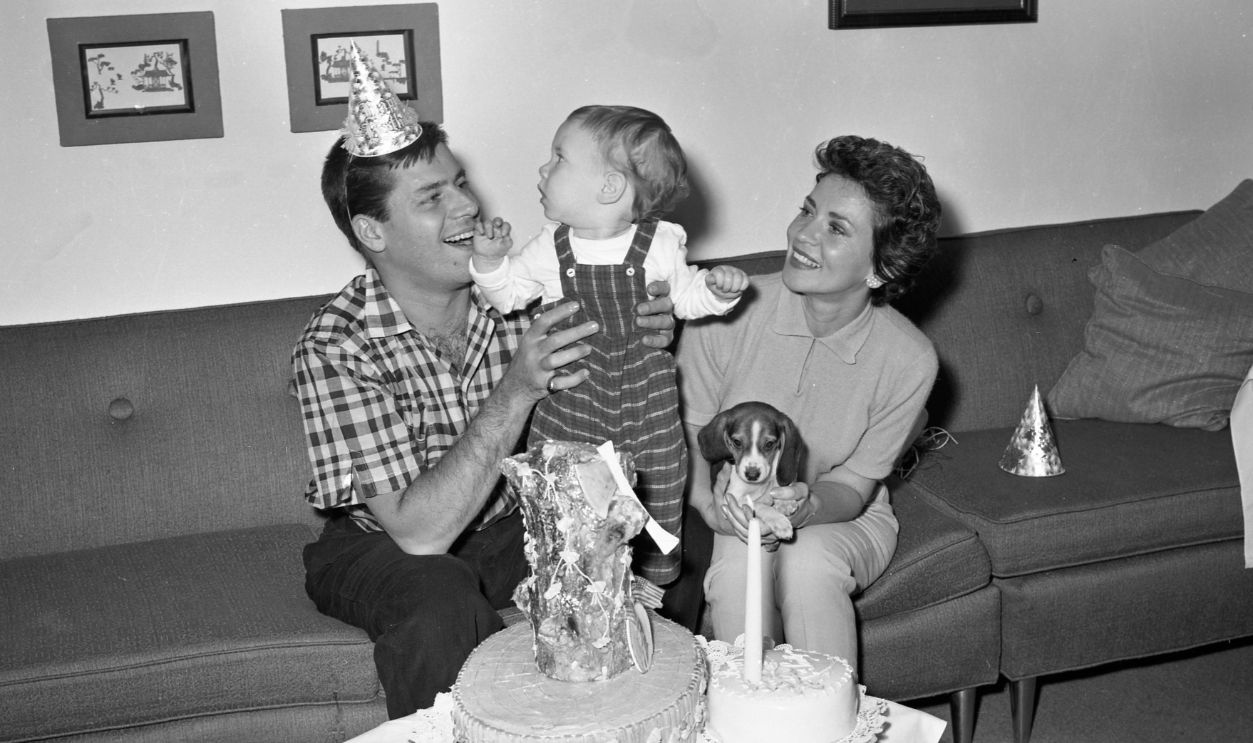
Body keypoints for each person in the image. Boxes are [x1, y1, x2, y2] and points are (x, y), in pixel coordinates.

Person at [291, 47, 677, 718]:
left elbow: (619, 400)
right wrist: (518, 386)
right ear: (371, 230)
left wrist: (645, 336)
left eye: (460, 182)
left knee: (659, 541)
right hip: (382, 543)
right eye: (434, 198)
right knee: (439, 596)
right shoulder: (336, 344)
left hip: (511, 522)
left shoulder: (528, 289)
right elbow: (416, 533)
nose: (468, 206)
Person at [676, 134, 942, 673]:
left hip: (846, 514)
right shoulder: (725, 311)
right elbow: (689, 431)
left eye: (835, 228)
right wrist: (710, 510)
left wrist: (806, 505)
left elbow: (852, 487)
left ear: (880, 269)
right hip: (733, 504)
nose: (802, 234)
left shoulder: (910, 359)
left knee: (810, 565)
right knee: (736, 574)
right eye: (808, 211)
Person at [468, 105, 749, 585]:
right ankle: (568, 577)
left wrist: (719, 291)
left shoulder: (660, 243)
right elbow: (510, 293)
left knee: (658, 479)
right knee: (568, 495)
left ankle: (653, 578)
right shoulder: (549, 247)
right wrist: (490, 262)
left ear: (609, 187)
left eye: (559, 158)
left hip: (646, 400)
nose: (543, 168)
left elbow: (684, 297)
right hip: (574, 397)